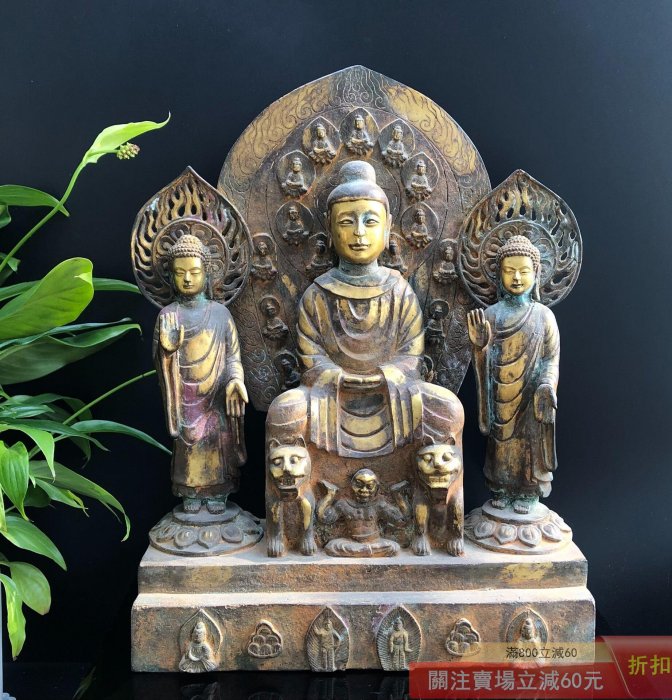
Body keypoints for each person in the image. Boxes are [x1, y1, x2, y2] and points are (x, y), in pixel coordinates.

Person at [266, 161, 463, 459]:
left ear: (387, 228)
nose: (359, 232)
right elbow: (311, 360)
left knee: (448, 408)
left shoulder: (400, 291)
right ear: (330, 228)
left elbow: (411, 356)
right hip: (331, 399)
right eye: (346, 222)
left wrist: (383, 377)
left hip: (392, 396)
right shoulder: (317, 295)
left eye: (370, 222)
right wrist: (341, 378)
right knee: (284, 411)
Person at [155, 234, 247, 514]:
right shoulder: (167, 315)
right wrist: (167, 351)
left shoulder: (220, 314)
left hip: (216, 397)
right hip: (185, 398)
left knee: (219, 443)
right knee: (188, 445)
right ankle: (190, 494)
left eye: (194, 272)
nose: (187, 279)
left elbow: (233, 356)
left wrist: (235, 380)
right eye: (179, 273)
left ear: (207, 273)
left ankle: (218, 493)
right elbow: (160, 364)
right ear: (170, 276)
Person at [467, 235, 559, 514]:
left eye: (524, 271)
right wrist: (480, 347)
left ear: (536, 274)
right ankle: (502, 488)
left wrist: (546, 385)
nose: (517, 278)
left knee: (529, 444)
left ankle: (527, 492)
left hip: (531, 397)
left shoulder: (544, 316)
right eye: (509, 271)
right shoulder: (491, 315)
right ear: (499, 275)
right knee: (501, 445)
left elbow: (550, 359)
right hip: (499, 396)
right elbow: (483, 360)